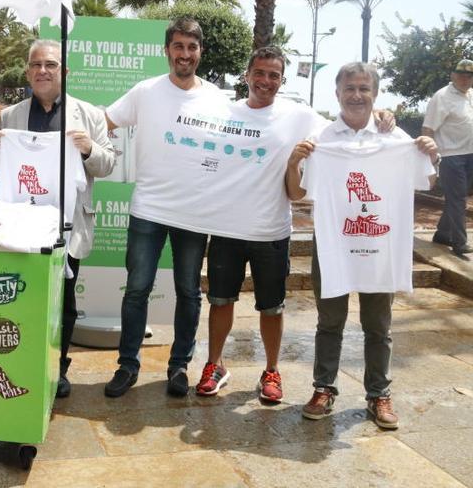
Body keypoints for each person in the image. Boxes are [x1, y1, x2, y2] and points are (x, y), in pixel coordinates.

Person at [193, 47, 395, 403]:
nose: (266, 81)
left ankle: (271, 371)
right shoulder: (225, 111)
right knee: (221, 301)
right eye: (260, 73)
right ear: (247, 75)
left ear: (282, 80)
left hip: (271, 230)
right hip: (226, 227)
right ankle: (215, 364)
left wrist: (379, 112)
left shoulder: (299, 114)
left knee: (272, 307)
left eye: (274, 75)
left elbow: (345, 122)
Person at [285, 62, 439, 430]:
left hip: (379, 248)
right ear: (337, 93)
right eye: (350, 88)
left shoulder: (394, 136)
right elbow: (298, 193)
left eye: (364, 88)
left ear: (374, 94)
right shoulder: (322, 139)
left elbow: (429, 181)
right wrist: (295, 162)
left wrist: (430, 153)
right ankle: (324, 388)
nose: (357, 95)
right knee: (329, 322)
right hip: (334, 244)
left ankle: (379, 394)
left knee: (378, 325)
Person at [0, 39, 116, 398]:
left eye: (51, 65)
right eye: (36, 65)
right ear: (28, 71)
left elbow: (108, 164)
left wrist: (88, 148)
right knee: (23, 299)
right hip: (22, 225)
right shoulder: (11, 116)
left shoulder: (89, 114)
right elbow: (1, 169)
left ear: (65, 72)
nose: (43, 70)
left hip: (68, 226)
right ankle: (24, 363)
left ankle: (59, 367)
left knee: (64, 301)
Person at [103, 17, 225, 398]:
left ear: (200, 52)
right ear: (167, 50)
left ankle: (179, 368)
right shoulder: (145, 91)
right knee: (136, 289)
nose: (184, 54)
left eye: (191, 47)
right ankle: (127, 365)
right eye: (178, 47)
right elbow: (104, 120)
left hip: (193, 213)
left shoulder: (217, 99)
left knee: (189, 292)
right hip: (148, 209)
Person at [423, 59, 473, 259]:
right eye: (460, 74)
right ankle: (460, 243)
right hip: (451, 157)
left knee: (456, 198)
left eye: (469, 76)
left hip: (470, 155)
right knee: (458, 200)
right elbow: (428, 129)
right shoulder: (442, 97)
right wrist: (429, 161)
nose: (464, 79)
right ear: (452, 75)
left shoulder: (470, 95)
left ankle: (442, 234)